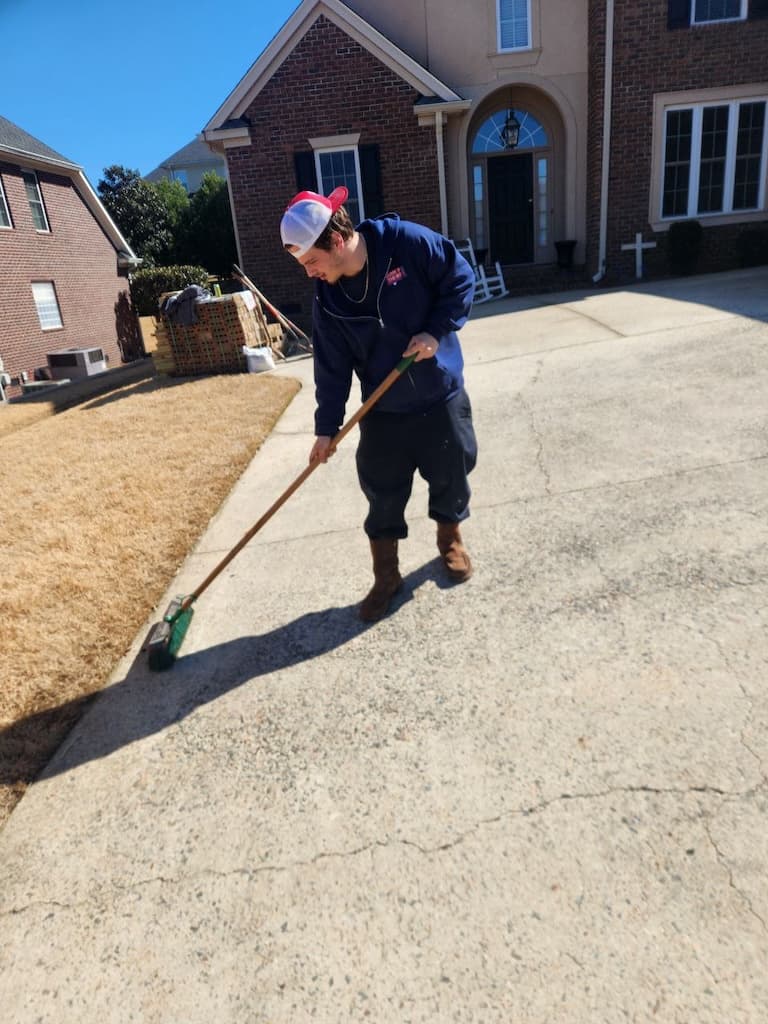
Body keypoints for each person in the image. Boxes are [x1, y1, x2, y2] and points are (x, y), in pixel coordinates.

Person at [280, 185, 478, 622]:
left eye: (311, 261)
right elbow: (331, 368)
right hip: (383, 410)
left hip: (439, 393)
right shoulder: (328, 300)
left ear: (336, 241)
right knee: (381, 493)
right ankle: (386, 576)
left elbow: (460, 278)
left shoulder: (406, 243)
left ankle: (450, 540)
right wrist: (326, 429)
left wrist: (435, 331)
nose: (310, 273)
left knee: (451, 474)